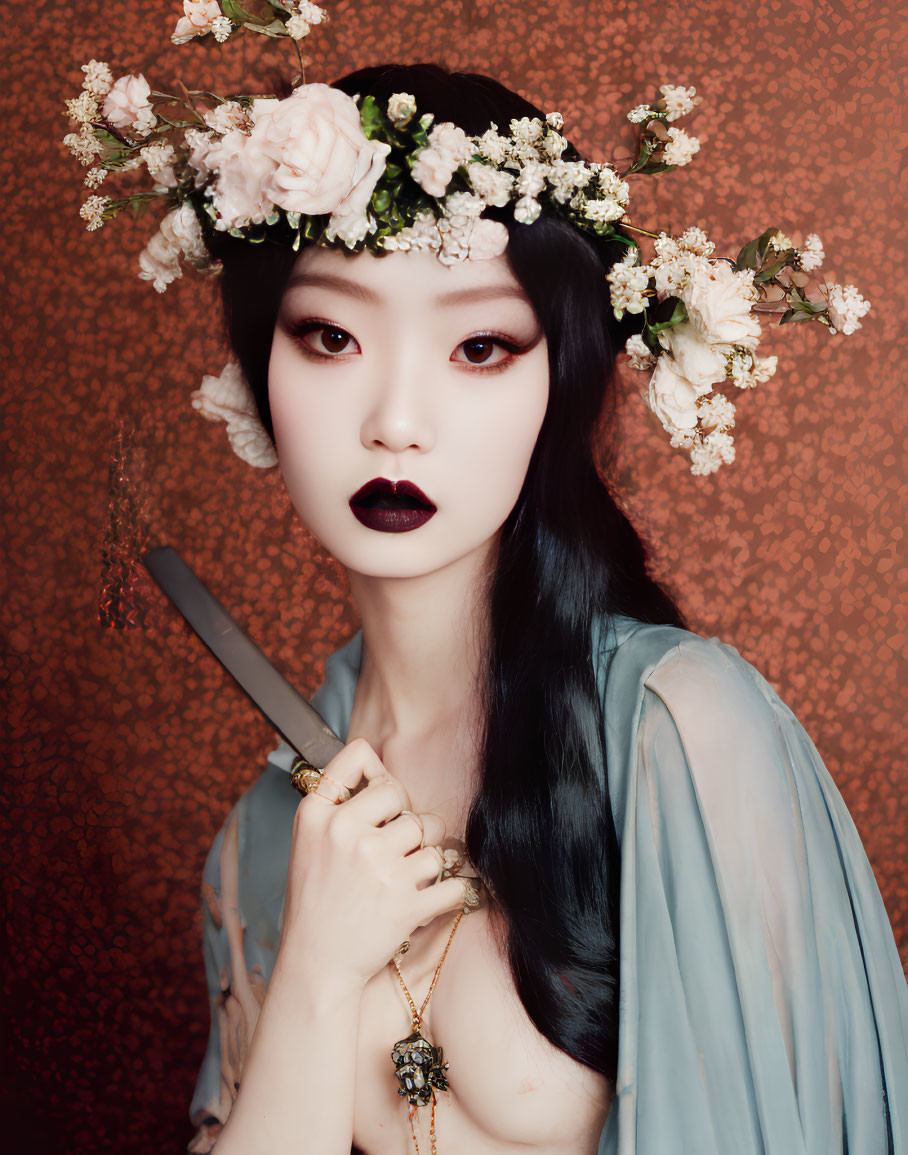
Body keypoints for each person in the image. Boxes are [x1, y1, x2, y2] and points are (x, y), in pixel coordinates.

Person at [176, 64, 907, 1155]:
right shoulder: (264, 841)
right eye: (330, 336)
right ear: (258, 368)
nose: (395, 422)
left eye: (479, 347)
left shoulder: (674, 728)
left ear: (556, 383)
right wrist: (321, 970)